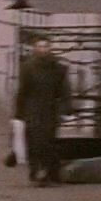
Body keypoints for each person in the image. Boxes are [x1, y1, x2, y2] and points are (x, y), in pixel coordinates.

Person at [14, 38, 72, 186]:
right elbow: (22, 91)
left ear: (50, 49)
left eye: (45, 46)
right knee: (34, 140)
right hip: (32, 109)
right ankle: (36, 171)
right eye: (40, 46)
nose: (43, 49)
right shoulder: (28, 67)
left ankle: (51, 173)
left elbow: (65, 91)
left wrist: (65, 110)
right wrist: (19, 112)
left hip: (50, 109)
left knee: (49, 141)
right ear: (35, 49)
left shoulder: (58, 68)